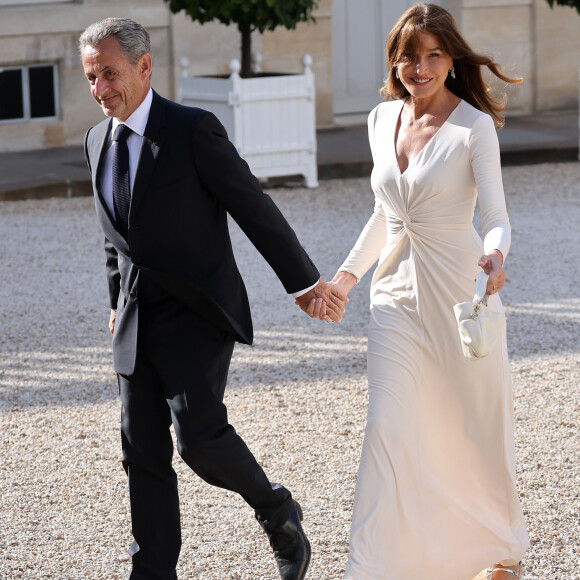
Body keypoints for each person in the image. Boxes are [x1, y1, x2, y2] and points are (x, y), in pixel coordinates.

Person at [79, 17, 345, 580]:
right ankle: (151, 571)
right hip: (133, 317)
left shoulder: (192, 129)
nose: (100, 89)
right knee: (141, 453)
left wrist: (302, 283)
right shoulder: (95, 140)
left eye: (110, 73)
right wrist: (112, 299)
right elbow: (114, 234)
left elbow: (253, 207)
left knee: (198, 439)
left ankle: (277, 511)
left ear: (144, 66)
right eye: (90, 77)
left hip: (196, 311)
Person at [316, 4, 529, 579]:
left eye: (434, 54)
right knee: (388, 425)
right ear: (395, 61)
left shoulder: (473, 127)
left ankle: (498, 549)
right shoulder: (379, 119)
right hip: (394, 302)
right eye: (409, 56)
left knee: (470, 425)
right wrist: (343, 279)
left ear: (452, 57)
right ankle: (374, 566)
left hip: (461, 296)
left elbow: (497, 214)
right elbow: (387, 216)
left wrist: (496, 255)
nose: (421, 66)